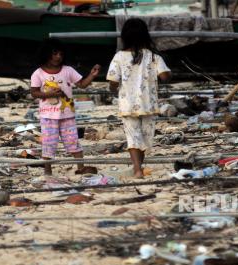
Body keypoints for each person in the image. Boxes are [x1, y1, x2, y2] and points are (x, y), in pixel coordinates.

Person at [106, 18, 172, 178]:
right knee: (146, 138)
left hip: (127, 104)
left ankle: (137, 169)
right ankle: (138, 168)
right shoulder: (153, 57)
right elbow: (165, 77)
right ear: (145, 36)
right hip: (148, 105)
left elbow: (113, 82)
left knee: (133, 137)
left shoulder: (119, 57)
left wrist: (114, 89)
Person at [31, 39, 100, 176]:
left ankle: (81, 168)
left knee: (73, 141)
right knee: (49, 144)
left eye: (61, 54)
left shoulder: (68, 70)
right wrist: (48, 94)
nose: (58, 57)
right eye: (54, 54)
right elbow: (34, 93)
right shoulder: (38, 73)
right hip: (48, 116)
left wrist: (92, 75)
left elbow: (82, 84)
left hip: (67, 114)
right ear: (46, 54)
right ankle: (47, 171)